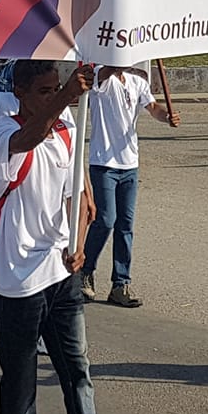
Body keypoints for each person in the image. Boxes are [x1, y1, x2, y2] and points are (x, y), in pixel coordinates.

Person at [0, 60, 135, 414]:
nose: (52, 95)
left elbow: (79, 199)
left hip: (62, 276)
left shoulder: (66, 130)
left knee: (77, 376)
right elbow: (25, 142)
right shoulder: (3, 132)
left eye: (54, 88)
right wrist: (63, 97)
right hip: (16, 280)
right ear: (20, 91)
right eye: (43, 90)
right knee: (20, 379)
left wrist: (78, 244)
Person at [80, 65, 176, 308]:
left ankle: (120, 283)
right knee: (105, 220)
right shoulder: (102, 77)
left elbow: (152, 107)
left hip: (129, 163)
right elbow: (102, 75)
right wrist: (117, 61)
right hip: (104, 162)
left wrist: (166, 117)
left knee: (126, 225)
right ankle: (84, 272)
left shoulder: (136, 82)